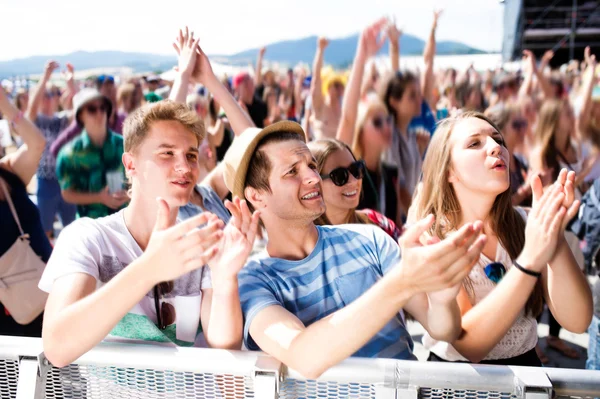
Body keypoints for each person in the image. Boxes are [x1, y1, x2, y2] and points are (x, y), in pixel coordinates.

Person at [39, 97, 260, 368]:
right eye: (167, 153)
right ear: (130, 165)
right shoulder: (87, 237)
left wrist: (226, 279)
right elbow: (57, 346)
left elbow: (224, 346)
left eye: (191, 155)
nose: (185, 166)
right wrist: (149, 269)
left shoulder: (199, 241)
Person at [411, 111, 592, 366]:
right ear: (449, 171)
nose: (497, 148)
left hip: (526, 375)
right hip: (458, 383)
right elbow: (470, 346)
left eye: (498, 140)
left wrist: (554, 233)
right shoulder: (433, 238)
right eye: (475, 143)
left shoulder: (527, 223)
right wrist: (529, 260)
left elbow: (577, 320)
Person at [336, 18, 402, 226]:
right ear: (360, 129)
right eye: (377, 122)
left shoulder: (390, 174)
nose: (387, 126)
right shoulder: (348, 171)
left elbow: (398, 227)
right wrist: (362, 56)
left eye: (387, 120)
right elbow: (347, 117)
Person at [0, 84, 50, 337]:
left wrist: (6, 105)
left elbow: (37, 143)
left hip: (51, 297)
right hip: (12, 314)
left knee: (67, 373)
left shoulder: (7, 173)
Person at [55, 88, 129, 219]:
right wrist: (100, 198)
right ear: (80, 116)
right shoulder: (69, 154)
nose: (99, 113)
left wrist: (129, 194)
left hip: (125, 221)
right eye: (92, 109)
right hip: (91, 225)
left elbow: (140, 178)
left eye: (103, 108)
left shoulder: (123, 145)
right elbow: (67, 193)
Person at [308, 138, 401, 240]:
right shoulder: (304, 245)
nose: (353, 181)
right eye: (340, 176)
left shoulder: (379, 224)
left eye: (356, 169)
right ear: (315, 183)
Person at [26, 60, 76, 239]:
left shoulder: (62, 119)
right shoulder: (36, 121)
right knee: (45, 229)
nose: (49, 98)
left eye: (53, 94)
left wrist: (71, 82)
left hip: (66, 179)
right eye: (46, 95)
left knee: (72, 229)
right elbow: (31, 107)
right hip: (46, 181)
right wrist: (45, 77)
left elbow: (79, 110)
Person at [309, 37, 345, 140]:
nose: (339, 89)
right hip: (321, 155)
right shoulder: (320, 105)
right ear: (328, 87)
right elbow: (316, 79)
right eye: (336, 85)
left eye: (341, 85)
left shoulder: (344, 110)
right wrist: (320, 50)